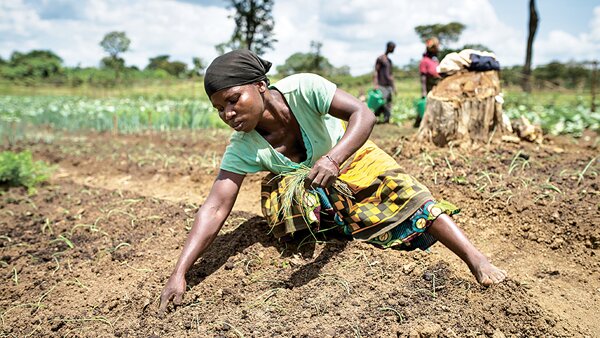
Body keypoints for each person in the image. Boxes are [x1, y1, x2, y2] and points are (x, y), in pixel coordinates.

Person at [159, 49, 506, 313]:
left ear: (261, 86)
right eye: (220, 109)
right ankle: (340, 226)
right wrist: (181, 272)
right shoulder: (242, 146)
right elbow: (216, 206)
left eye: (233, 100)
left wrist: (334, 157)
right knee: (284, 198)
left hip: (350, 156)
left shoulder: (303, 89)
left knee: (407, 193)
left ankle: (476, 259)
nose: (228, 114)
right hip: (311, 186)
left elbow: (363, 114)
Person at [417, 37, 442, 127]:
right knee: (428, 106)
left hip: (437, 87)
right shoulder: (424, 61)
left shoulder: (435, 60)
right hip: (429, 87)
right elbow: (423, 77)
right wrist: (423, 91)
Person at [373, 41, 396, 124]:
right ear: (389, 47)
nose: (394, 50)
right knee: (381, 102)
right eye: (393, 48)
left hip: (388, 85)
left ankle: (387, 120)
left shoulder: (389, 61)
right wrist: (375, 84)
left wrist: (394, 87)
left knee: (389, 102)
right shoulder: (381, 58)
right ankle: (375, 117)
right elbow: (376, 71)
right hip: (381, 85)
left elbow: (391, 74)